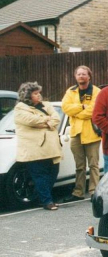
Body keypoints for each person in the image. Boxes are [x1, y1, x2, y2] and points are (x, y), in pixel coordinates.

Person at [14, 82, 62, 210]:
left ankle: (43, 199)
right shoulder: (20, 108)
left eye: (39, 92)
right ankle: (47, 201)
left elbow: (57, 118)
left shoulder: (46, 105)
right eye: (35, 93)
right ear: (28, 96)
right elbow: (31, 120)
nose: (39, 95)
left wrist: (45, 121)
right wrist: (48, 120)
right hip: (34, 149)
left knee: (53, 172)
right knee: (40, 176)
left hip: (51, 148)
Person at [61, 65, 101, 201]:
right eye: (79, 74)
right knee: (79, 166)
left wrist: (78, 113)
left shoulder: (96, 91)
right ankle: (78, 192)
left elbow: (95, 110)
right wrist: (82, 107)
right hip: (76, 133)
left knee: (94, 165)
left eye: (84, 74)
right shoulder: (70, 91)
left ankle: (94, 192)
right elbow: (65, 108)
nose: (81, 76)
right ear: (75, 76)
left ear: (89, 76)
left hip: (92, 133)